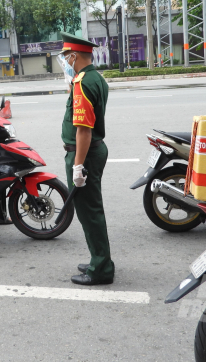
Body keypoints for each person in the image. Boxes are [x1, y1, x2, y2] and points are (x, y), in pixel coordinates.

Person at [58, 32, 114, 286]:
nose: (66, 60)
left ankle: (100, 268)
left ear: (75, 55)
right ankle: (99, 259)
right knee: (92, 209)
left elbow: (83, 129)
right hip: (93, 151)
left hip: (85, 154)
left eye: (67, 56)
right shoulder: (95, 78)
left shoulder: (83, 83)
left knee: (90, 212)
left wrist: (78, 165)